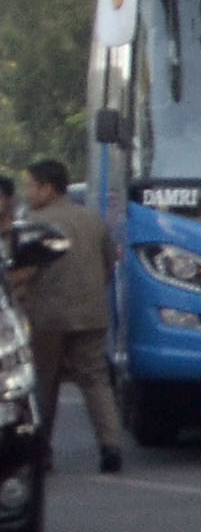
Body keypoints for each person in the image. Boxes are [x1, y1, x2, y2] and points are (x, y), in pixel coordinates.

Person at [11, 158, 121, 474]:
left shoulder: (32, 222)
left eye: (31, 186)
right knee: (96, 380)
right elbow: (109, 265)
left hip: (47, 316)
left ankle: (40, 451)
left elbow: (23, 272)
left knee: (43, 384)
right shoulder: (92, 220)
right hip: (91, 313)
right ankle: (110, 446)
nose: (28, 192)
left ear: (48, 188)